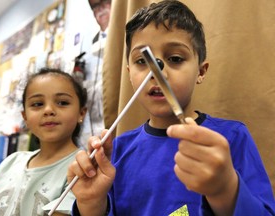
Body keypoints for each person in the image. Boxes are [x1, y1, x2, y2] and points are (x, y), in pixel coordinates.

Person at [68, 1, 275, 215]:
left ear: (201, 72)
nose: (157, 73)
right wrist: (91, 205)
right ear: (129, 73)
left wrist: (226, 190)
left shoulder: (232, 138)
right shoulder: (116, 151)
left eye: (175, 58)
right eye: (142, 61)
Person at [0, 68, 87, 215]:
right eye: (37, 104)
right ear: (25, 117)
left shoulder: (83, 166)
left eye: (62, 102)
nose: (48, 110)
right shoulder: (12, 162)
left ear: (81, 113)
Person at [81, 0, 112, 141]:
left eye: (105, 2)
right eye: (95, 7)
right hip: (98, 127)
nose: (100, 10)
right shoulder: (93, 50)